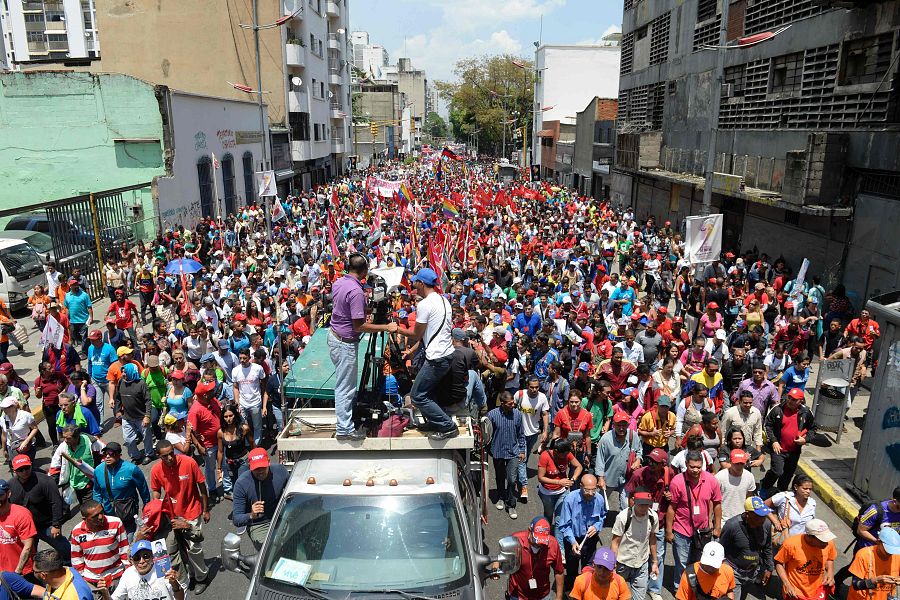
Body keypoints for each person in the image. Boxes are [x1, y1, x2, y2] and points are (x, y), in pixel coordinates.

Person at [327, 253, 397, 441]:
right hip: (345, 343)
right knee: (346, 388)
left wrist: (367, 307)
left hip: (335, 336)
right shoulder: (357, 292)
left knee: (345, 386)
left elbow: (346, 308)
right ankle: (344, 429)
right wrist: (386, 326)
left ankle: (344, 424)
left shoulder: (340, 283)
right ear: (365, 271)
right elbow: (360, 326)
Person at [397, 268, 458, 440]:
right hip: (446, 353)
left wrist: (397, 329)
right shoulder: (444, 300)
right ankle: (436, 421)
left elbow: (416, 334)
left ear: (421, 284)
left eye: (415, 281)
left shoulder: (424, 304)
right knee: (429, 392)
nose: (413, 283)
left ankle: (447, 426)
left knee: (417, 395)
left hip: (436, 357)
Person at [149, 440, 210, 594]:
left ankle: (202, 577)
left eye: (171, 453)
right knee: (179, 549)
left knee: (194, 548)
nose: (170, 458)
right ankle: (190, 575)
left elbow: (202, 486)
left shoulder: (189, 462)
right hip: (171, 516)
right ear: (158, 456)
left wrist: (206, 509)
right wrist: (155, 509)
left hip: (192, 512)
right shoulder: (156, 470)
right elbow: (156, 491)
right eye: (165, 456)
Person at [666, 450, 723, 592]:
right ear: (686, 465)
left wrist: (717, 527)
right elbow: (671, 508)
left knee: (699, 562)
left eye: (698, 467)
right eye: (692, 467)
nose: (696, 470)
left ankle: (694, 589)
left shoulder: (711, 480)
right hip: (681, 530)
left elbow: (717, 505)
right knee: (682, 563)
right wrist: (668, 531)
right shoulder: (678, 481)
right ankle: (679, 589)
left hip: (703, 530)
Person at [7, 454, 70, 563]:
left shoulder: (45, 481)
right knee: (29, 554)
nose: (24, 471)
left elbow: (56, 502)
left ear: (31, 466)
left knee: (63, 548)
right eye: (20, 469)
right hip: (26, 528)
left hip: (47, 524)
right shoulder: (11, 485)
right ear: (14, 470)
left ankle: (71, 564)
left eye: (27, 468)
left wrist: (56, 525)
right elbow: (9, 507)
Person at [232, 447, 289, 550]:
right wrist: (251, 515)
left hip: (280, 517)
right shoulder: (241, 484)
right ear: (250, 467)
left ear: (268, 462)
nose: (260, 471)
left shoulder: (281, 471)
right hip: (259, 524)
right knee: (270, 552)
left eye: (263, 467)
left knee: (295, 545)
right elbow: (236, 519)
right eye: (256, 468)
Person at [91, 442, 151, 538]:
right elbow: (97, 491)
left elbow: (143, 489)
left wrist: (147, 506)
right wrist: (97, 510)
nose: (107, 457)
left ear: (120, 455)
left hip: (128, 513)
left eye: (111, 454)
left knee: (129, 540)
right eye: (105, 454)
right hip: (108, 514)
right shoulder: (98, 470)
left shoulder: (131, 469)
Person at [558, 474, 607, 590]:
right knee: (572, 569)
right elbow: (564, 524)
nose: (590, 493)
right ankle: (571, 590)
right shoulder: (570, 499)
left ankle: (586, 591)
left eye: (593, 490)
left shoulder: (599, 499)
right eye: (587, 490)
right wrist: (572, 542)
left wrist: (597, 526)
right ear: (580, 486)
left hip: (590, 539)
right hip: (573, 540)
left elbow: (602, 516)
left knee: (589, 569)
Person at [761, 388, 815, 494]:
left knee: (788, 474)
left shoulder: (806, 412)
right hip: (778, 449)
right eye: (789, 398)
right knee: (777, 471)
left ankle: (781, 491)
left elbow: (813, 428)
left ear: (801, 401)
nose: (790, 401)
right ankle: (765, 487)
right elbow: (767, 425)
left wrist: (805, 439)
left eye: (794, 399)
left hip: (794, 451)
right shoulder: (777, 409)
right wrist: (774, 441)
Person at [719, 497, 774, 600]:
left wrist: (769, 568)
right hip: (733, 573)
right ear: (748, 514)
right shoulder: (732, 526)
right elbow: (721, 550)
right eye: (759, 515)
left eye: (764, 515)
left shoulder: (766, 524)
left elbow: (767, 547)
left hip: (752, 573)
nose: (763, 518)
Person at [610, 490, 659, 600]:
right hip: (622, 564)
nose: (644, 508)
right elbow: (615, 542)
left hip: (642, 564)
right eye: (641, 504)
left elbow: (652, 540)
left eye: (646, 505)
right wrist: (612, 565)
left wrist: (655, 562)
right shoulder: (623, 517)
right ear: (634, 501)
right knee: (615, 595)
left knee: (639, 598)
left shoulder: (653, 517)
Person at [69, 499, 129, 588]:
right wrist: (81, 579)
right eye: (95, 516)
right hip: (91, 580)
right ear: (85, 519)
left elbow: (125, 549)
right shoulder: (77, 531)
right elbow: (77, 558)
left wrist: (128, 572)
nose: (101, 517)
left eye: (101, 512)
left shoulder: (115, 523)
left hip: (115, 575)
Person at [774, 519, 837, 600]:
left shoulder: (828, 543)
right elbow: (778, 562)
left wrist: (830, 572)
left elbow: (830, 558)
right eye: (822, 540)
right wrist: (787, 584)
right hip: (796, 592)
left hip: (817, 591)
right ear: (810, 536)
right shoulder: (790, 544)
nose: (826, 543)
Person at [488, 392, 526, 520]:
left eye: (513, 402)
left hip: (513, 452)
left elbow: (521, 434)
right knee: (500, 477)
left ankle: (511, 505)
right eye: (510, 403)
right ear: (503, 403)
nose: (513, 405)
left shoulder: (517, 415)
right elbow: (487, 434)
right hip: (498, 451)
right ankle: (500, 497)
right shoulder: (492, 415)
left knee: (511, 479)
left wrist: (522, 450)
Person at [104, 540, 186, 600]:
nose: (142, 561)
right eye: (137, 558)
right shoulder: (128, 574)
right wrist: (105, 592)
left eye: (146, 556)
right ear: (131, 561)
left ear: (153, 557)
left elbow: (180, 598)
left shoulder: (163, 570)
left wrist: (175, 584)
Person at [506, 517, 565, 600]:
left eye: (542, 543)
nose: (539, 545)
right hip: (518, 595)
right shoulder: (515, 540)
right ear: (529, 530)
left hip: (542, 595)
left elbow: (559, 571)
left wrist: (559, 597)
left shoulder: (553, 544)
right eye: (536, 541)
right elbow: (502, 556)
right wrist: (496, 566)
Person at [595, 412, 643, 513]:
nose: (621, 428)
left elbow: (639, 450)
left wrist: (638, 459)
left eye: (624, 425)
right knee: (600, 502)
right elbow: (600, 460)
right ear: (613, 425)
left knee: (625, 504)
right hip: (609, 477)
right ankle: (596, 523)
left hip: (626, 477)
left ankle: (623, 525)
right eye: (618, 425)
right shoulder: (605, 439)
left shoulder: (633, 435)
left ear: (628, 425)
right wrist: (600, 478)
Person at [514, 376, 550, 499]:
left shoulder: (542, 398)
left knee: (526, 456)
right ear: (527, 386)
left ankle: (518, 472)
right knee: (522, 459)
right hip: (520, 434)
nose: (534, 390)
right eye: (532, 387)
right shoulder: (519, 395)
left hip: (533, 433)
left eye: (536, 387)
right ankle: (523, 486)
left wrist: (545, 431)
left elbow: (545, 414)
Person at [536, 438, 582, 533]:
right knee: (548, 515)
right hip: (547, 493)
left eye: (567, 454)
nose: (566, 457)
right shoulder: (545, 456)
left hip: (562, 491)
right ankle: (547, 536)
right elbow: (540, 478)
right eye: (563, 455)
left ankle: (559, 546)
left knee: (559, 520)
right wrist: (559, 482)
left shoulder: (567, 453)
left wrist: (573, 479)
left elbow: (579, 466)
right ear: (556, 451)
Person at [113, 363, 155, 464]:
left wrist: (147, 416)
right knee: (128, 439)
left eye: (125, 371)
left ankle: (149, 454)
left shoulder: (141, 384)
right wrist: (117, 410)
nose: (123, 374)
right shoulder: (121, 382)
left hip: (142, 417)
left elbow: (148, 401)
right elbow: (118, 397)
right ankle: (135, 456)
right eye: (122, 371)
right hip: (127, 417)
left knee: (147, 438)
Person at [188, 380, 222, 501]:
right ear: (205, 395)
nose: (214, 391)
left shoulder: (213, 400)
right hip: (208, 445)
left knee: (224, 464)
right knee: (210, 468)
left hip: (221, 441)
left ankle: (228, 488)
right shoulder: (195, 410)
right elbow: (191, 431)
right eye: (210, 390)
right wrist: (199, 446)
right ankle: (212, 489)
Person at [845, 527, 900, 600]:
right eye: (888, 549)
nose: (890, 553)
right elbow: (856, 584)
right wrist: (876, 580)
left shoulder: (897, 555)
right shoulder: (863, 555)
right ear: (879, 542)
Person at [216, 403, 254, 501]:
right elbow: (220, 452)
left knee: (243, 483)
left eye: (230, 416)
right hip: (229, 463)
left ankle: (247, 504)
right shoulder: (220, 432)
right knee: (235, 483)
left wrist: (257, 458)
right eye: (225, 416)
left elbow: (252, 444)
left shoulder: (244, 428)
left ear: (235, 415)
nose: (228, 419)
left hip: (243, 461)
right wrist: (219, 468)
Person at [765, 474, 818, 542]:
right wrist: (775, 521)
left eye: (810, 489)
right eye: (805, 488)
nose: (808, 491)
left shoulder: (812, 503)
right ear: (796, 487)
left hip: (801, 544)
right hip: (783, 541)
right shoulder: (784, 497)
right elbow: (763, 505)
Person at [231, 348, 267, 445]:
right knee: (244, 425)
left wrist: (263, 402)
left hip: (255, 402)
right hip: (242, 403)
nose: (242, 360)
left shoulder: (257, 368)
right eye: (240, 358)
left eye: (244, 358)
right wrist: (237, 402)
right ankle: (248, 444)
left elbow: (263, 383)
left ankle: (256, 445)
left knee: (257, 426)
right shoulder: (235, 370)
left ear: (249, 358)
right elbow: (235, 387)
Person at [0, 479, 36, 575]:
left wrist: (17, 572)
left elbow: (27, 547)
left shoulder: (21, 514)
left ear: (8, 494)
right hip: (2, 572)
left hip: (23, 572)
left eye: (0, 495)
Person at [715, 450, 757, 522]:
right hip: (723, 520)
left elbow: (749, 499)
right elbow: (714, 501)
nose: (739, 466)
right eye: (736, 463)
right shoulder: (719, 477)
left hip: (742, 519)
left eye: (741, 463)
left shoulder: (749, 476)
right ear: (730, 461)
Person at [0, 397, 38, 467]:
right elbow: (4, 435)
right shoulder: (3, 419)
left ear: (14, 407)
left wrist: (26, 441)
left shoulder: (25, 415)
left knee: (27, 467)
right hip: (12, 447)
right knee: (17, 468)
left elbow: (35, 428)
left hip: (27, 446)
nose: (5, 410)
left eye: (7, 407)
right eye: (3, 408)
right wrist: (4, 449)